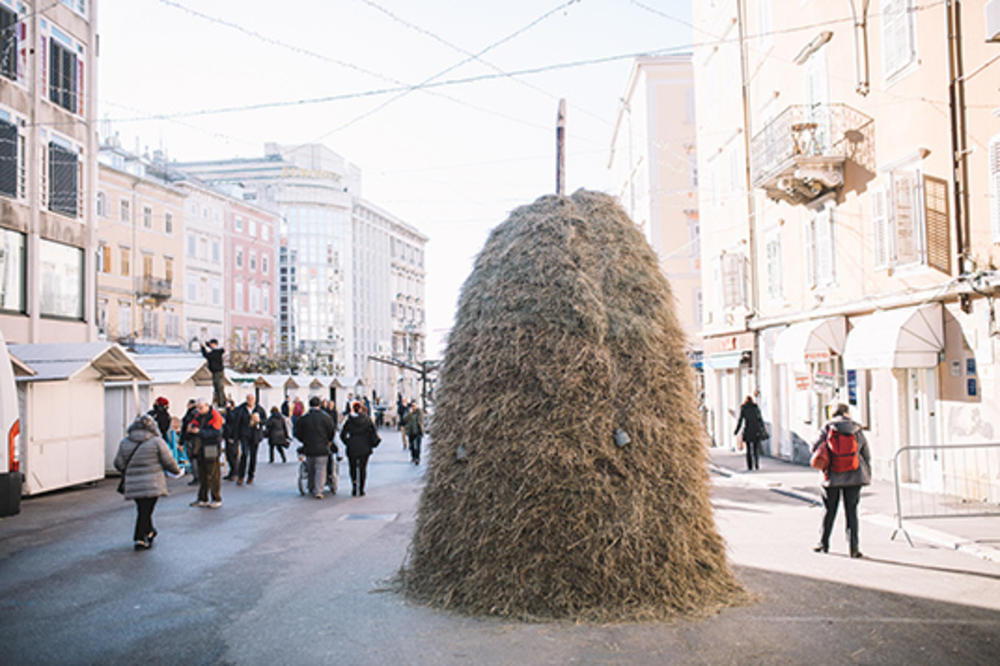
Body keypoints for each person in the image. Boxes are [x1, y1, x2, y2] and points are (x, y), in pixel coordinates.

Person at [811, 403, 871, 558]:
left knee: (829, 511)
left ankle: (823, 543)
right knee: (852, 512)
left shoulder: (827, 427)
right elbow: (865, 452)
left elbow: (815, 448)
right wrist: (867, 473)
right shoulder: (856, 429)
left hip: (832, 476)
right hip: (854, 476)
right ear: (847, 413)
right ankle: (854, 548)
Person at [113, 414, 181, 550]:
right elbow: (168, 461)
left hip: (133, 483)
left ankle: (150, 531)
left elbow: (118, 463)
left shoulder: (125, 442)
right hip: (153, 482)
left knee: (142, 509)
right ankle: (140, 538)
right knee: (146, 510)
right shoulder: (157, 442)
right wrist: (176, 471)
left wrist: (131, 470)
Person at [294, 396, 336, 499]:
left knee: (311, 468)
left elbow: (297, 432)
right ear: (319, 405)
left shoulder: (304, 418)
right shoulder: (326, 418)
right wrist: (329, 441)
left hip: (309, 447)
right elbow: (331, 431)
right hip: (322, 447)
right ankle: (318, 490)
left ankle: (311, 487)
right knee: (321, 469)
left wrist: (303, 440)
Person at [188, 399, 225, 508]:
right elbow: (194, 422)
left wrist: (199, 432)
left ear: (207, 406)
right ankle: (203, 498)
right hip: (200, 447)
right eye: (197, 408)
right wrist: (191, 428)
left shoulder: (215, 416)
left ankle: (216, 498)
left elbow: (216, 433)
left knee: (213, 474)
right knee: (202, 474)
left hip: (211, 447)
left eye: (200, 407)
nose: (198, 410)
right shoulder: (198, 416)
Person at [340, 401, 380, 497]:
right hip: (364, 447)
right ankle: (361, 488)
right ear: (361, 409)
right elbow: (373, 433)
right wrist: (371, 444)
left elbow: (342, 434)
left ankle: (354, 486)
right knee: (363, 468)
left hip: (352, 446)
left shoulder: (349, 421)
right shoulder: (367, 420)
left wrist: (347, 442)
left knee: (352, 467)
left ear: (353, 409)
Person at [233, 393, 267, 485]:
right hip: (244, 435)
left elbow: (265, 420)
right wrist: (235, 437)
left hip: (255, 435)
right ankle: (241, 476)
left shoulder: (259, 409)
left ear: (255, 400)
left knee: (253, 456)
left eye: (252, 399)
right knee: (244, 454)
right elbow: (237, 423)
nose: (250, 401)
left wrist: (259, 421)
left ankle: (251, 475)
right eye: (248, 399)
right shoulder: (241, 409)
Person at [734, 395, 767, 471]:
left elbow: (740, 420)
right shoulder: (755, 407)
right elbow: (760, 419)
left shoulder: (744, 408)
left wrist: (736, 431)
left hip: (748, 430)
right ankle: (756, 464)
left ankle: (750, 466)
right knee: (755, 449)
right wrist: (763, 430)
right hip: (756, 430)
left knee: (748, 450)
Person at [200, 339, 226, 406]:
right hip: (217, 371)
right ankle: (221, 401)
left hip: (217, 372)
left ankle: (221, 403)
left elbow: (207, 355)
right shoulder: (217, 351)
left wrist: (203, 347)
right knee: (218, 388)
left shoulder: (216, 352)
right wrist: (205, 345)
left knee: (218, 387)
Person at [180, 399, 199, 486]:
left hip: (191, 439)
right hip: (196, 439)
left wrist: (181, 441)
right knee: (196, 458)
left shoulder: (191, 414)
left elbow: (185, 428)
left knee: (193, 457)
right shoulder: (196, 413)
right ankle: (198, 477)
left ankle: (197, 477)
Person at [403, 399, 424, 465]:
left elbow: (420, 421)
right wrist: (410, 413)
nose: (413, 407)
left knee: (417, 446)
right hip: (410, 431)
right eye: (412, 406)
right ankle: (413, 457)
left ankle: (417, 458)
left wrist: (422, 431)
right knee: (411, 445)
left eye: (414, 405)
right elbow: (404, 419)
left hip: (417, 431)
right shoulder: (408, 412)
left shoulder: (419, 411)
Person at [222, 401, 239, 481]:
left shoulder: (234, 413)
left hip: (233, 437)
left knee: (233, 455)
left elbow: (232, 420)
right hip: (227, 436)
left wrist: (228, 410)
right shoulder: (227, 414)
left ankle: (236, 473)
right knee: (228, 455)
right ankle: (232, 472)